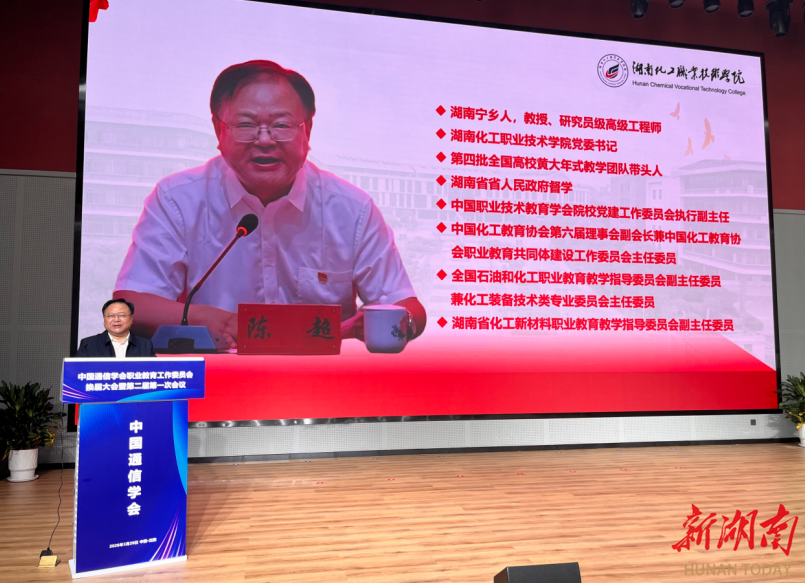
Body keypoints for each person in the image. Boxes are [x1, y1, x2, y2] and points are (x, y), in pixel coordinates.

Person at [114, 60, 426, 350]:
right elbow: (133, 305)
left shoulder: (351, 209)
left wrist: (403, 322)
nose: (264, 140)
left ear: (307, 130)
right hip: (216, 381)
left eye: (282, 125)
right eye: (246, 125)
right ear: (219, 130)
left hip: (324, 383)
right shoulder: (178, 199)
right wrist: (213, 320)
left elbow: (406, 305)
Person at [77, 298, 156, 357]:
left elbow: (155, 370)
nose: (116, 319)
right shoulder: (88, 344)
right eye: (111, 316)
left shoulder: (145, 345)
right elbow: (77, 371)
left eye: (122, 315)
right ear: (104, 318)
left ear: (131, 319)